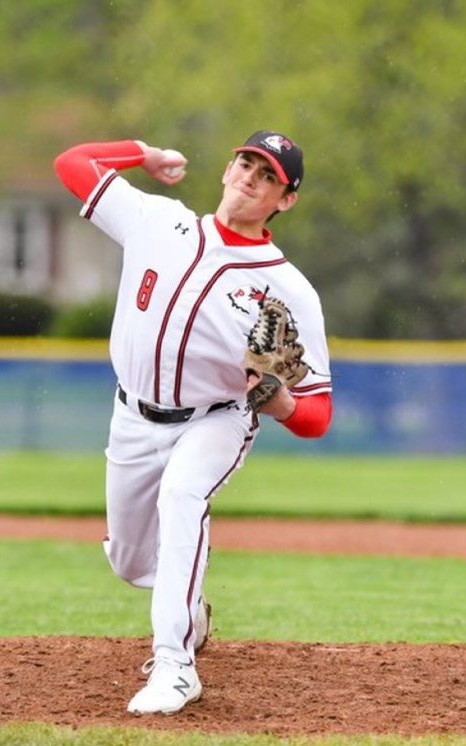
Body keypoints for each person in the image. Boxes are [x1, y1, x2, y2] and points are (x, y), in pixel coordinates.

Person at [54, 130, 333, 715]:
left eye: (268, 176)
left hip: (216, 419)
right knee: (130, 562)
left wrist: (277, 400)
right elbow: (71, 163)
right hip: (132, 415)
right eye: (246, 162)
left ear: (285, 200)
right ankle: (190, 607)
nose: (250, 177)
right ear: (229, 166)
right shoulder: (158, 220)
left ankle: (176, 667)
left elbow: (316, 416)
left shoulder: (288, 290)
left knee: (182, 495)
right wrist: (142, 154)